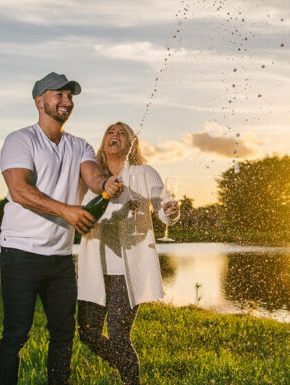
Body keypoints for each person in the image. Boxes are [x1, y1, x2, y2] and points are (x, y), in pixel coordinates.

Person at [0, 72, 124, 385]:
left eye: (70, 97)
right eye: (59, 95)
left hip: (61, 259)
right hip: (21, 252)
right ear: (40, 101)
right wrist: (66, 211)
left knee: (64, 336)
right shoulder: (20, 140)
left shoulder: (78, 146)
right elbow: (19, 190)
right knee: (16, 335)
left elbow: (92, 178)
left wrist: (106, 183)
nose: (67, 102)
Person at [75, 122, 179, 385]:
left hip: (128, 269)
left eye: (122, 133)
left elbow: (163, 208)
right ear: (103, 142)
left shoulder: (145, 173)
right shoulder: (90, 175)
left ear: (132, 143)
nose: (116, 135)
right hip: (94, 265)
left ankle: (131, 379)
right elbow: (78, 211)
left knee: (120, 336)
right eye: (111, 132)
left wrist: (171, 213)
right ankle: (126, 366)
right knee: (87, 333)